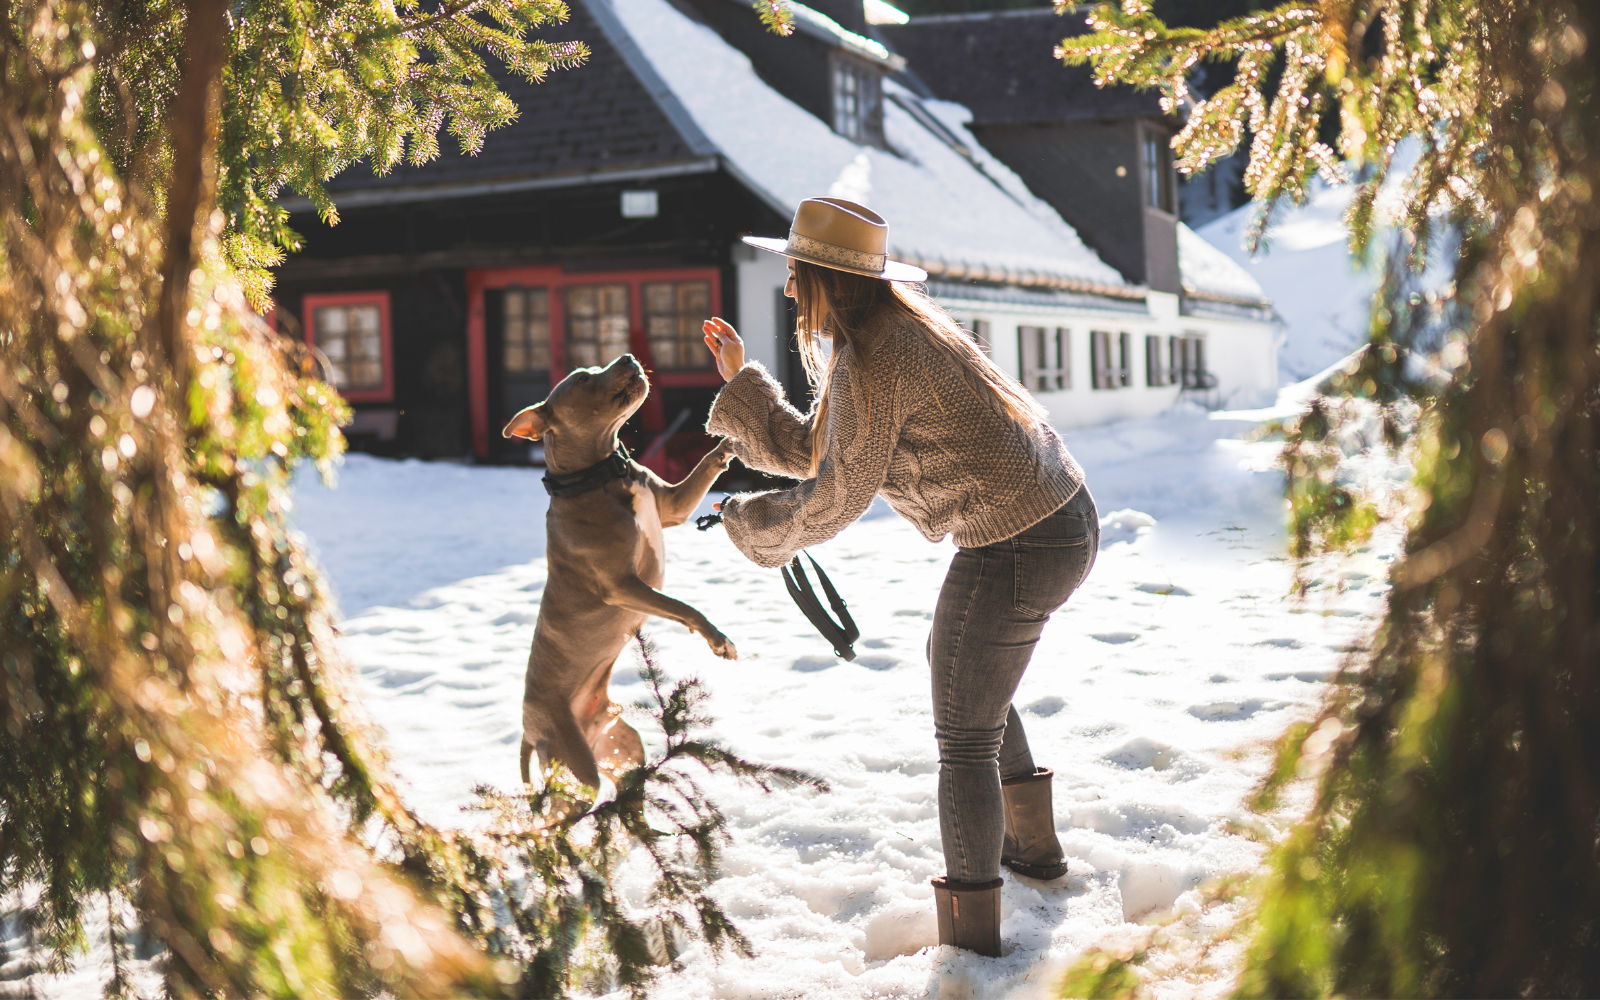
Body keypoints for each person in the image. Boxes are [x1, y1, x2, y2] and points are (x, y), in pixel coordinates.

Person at [700, 197, 1099, 957]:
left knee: (963, 731)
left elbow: (837, 494)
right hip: (1049, 521)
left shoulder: (881, 357)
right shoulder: (883, 340)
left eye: (794, 274)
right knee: (964, 683)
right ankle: (1033, 851)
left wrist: (750, 525)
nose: (787, 291)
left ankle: (975, 946)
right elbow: (825, 454)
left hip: (1022, 541)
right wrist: (740, 382)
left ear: (824, 278)